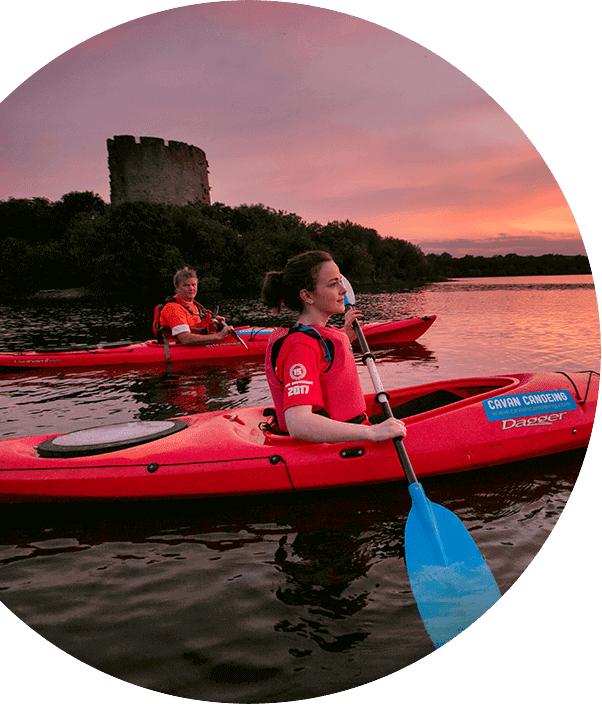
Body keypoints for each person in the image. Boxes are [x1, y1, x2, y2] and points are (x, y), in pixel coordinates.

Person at [261, 250, 407, 443]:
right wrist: (371, 433)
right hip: (333, 446)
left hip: (353, 427)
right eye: (333, 284)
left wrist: (345, 336)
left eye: (340, 281)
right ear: (307, 295)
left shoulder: (318, 334)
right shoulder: (300, 346)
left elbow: (325, 365)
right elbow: (298, 423)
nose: (343, 290)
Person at [158, 267, 233, 346]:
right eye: (186, 285)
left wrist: (213, 320)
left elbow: (195, 326)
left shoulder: (192, 305)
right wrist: (218, 336)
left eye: (193, 285)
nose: (191, 288)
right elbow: (185, 338)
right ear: (177, 288)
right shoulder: (172, 308)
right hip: (176, 350)